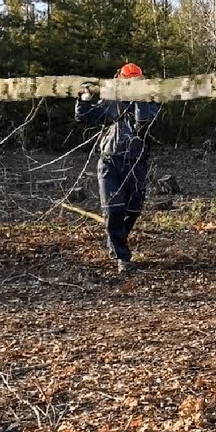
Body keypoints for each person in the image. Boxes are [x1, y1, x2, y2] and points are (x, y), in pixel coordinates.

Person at [75, 62, 162, 275]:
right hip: (109, 162)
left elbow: (143, 123)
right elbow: (84, 118)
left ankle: (116, 239)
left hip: (135, 162)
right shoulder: (109, 101)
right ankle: (122, 256)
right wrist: (84, 99)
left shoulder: (151, 101)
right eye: (126, 81)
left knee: (133, 208)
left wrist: (139, 96)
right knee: (113, 210)